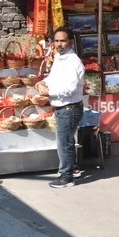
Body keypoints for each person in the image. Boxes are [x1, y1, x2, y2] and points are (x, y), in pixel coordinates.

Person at [35, 26, 85, 188]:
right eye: (56, 41)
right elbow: (54, 78)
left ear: (70, 42)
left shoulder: (73, 61)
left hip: (69, 108)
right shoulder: (59, 58)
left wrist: (49, 93)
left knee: (64, 143)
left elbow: (70, 88)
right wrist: (43, 82)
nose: (59, 44)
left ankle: (66, 177)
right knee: (67, 141)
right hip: (63, 108)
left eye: (62, 41)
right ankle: (72, 168)